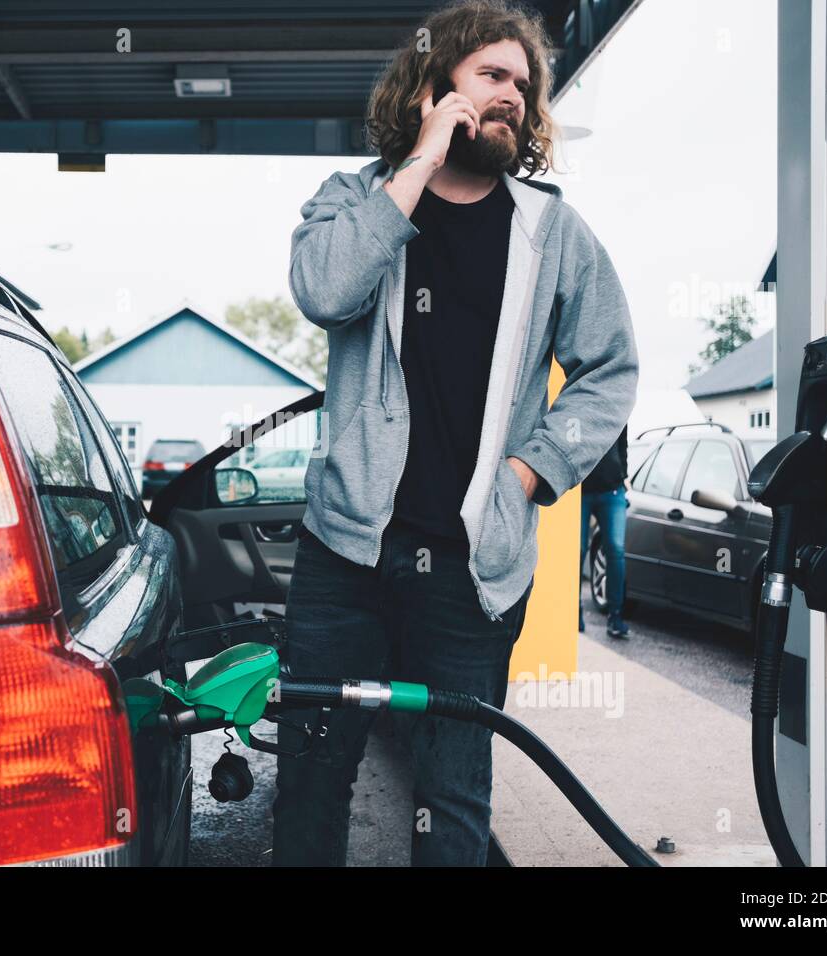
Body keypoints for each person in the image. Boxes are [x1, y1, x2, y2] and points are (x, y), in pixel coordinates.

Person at [273, 0, 639, 866]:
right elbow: (324, 291)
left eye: (524, 82)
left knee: (454, 803)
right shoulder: (355, 200)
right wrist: (422, 157)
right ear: (438, 87)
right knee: (313, 783)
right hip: (344, 560)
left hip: (473, 570)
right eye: (492, 75)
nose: (513, 94)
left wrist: (528, 472)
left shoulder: (553, 234)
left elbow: (611, 370)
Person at [580, 427, 631, 638]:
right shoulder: (580, 399)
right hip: (580, 489)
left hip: (613, 490)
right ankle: (573, 612)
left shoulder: (618, 402)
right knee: (578, 549)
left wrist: (623, 474)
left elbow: (622, 443)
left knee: (616, 549)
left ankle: (615, 616)